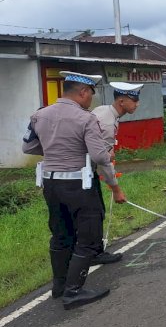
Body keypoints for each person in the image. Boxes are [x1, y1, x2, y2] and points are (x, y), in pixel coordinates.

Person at [22, 72, 126, 310]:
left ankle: (59, 287)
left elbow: (27, 147)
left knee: (61, 234)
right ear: (83, 92)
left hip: (51, 183)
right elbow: (100, 156)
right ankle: (73, 291)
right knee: (88, 237)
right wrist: (104, 157)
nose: (91, 99)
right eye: (91, 93)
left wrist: (54, 149)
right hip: (78, 184)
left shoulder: (39, 115)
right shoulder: (85, 118)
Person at [90, 82, 142, 265]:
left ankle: (93, 251)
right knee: (94, 213)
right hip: (84, 171)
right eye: (134, 100)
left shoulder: (105, 111)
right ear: (121, 101)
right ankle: (93, 254)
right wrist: (116, 189)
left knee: (96, 211)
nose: (137, 104)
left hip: (87, 169)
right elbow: (103, 160)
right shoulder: (106, 121)